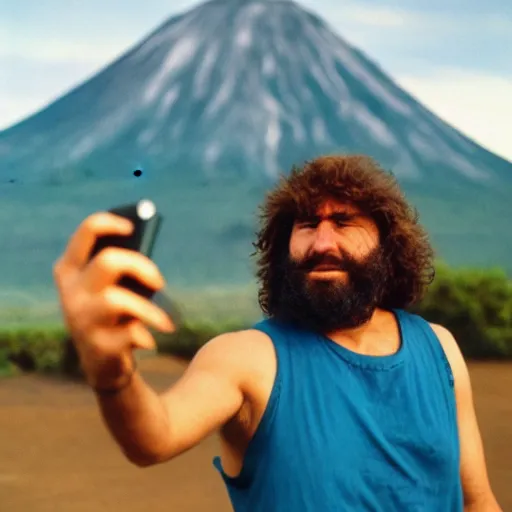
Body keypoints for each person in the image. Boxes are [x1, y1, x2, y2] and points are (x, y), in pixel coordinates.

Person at [53, 155, 502, 511]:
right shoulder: (249, 358)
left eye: (344, 222)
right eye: (306, 224)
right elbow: (154, 436)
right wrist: (113, 373)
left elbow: (476, 501)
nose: (323, 242)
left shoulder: (439, 349)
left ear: (387, 244)